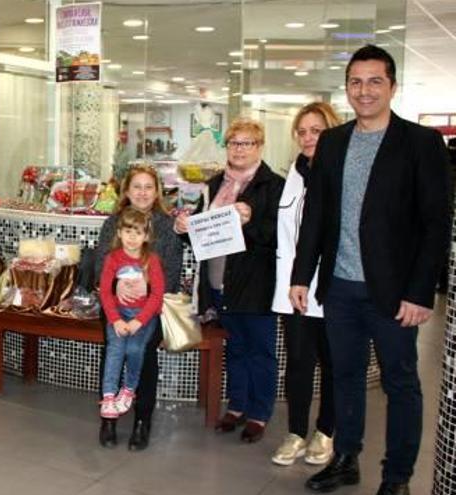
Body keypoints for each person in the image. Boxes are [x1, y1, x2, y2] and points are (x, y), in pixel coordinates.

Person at [291, 45, 451, 495]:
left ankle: (396, 477)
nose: (365, 91)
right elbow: (318, 214)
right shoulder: (334, 141)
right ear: (347, 88)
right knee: (344, 377)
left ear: (392, 86)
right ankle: (346, 459)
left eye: (375, 81)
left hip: (395, 292)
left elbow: (435, 222)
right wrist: (303, 275)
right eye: (356, 82)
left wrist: (421, 293)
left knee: (401, 383)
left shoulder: (421, 143)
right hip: (340, 288)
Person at [174, 117, 285, 444]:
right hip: (219, 284)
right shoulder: (213, 184)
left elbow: (278, 236)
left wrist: (249, 223)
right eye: (234, 143)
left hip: (256, 283)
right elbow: (201, 235)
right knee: (235, 348)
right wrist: (184, 229)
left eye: (246, 143)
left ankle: (259, 413)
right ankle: (237, 407)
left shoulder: (273, 185)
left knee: (261, 351)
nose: (238, 149)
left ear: (259, 147)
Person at [270, 102, 341, 467]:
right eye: (302, 131)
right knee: (298, 362)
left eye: (316, 130)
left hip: (329, 287)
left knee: (331, 362)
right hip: (292, 288)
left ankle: (326, 432)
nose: (308, 137)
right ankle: (296, 431)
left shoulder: (342, 173)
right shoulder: (294, 175)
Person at [93, 163, 183, 451]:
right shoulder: (113, 223)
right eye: (136, 187)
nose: (143, 193)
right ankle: (108, 420)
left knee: (143, 354)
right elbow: (99, 265)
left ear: (156, 191)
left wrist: (147, 285)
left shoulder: (166, 225)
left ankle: (142, 421)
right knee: (113, 349)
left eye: (148, 187)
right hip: (116, 308)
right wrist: (114, 286)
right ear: (126, 191)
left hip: (150, 309)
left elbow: (173, 271)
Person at [98, 207, 165, 420]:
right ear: (119, 233)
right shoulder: (112, 259)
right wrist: (115, 320)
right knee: (116, 349)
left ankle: (129, 389)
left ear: (146, 236)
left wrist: (139, 320)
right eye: (128, 232)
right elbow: (106, 292)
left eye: (138, 233)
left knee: (135, 349)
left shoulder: (151, 260)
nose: (132, 238)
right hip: (117, 313)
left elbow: (157, 295)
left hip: (143, 315)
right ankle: (108, 396)